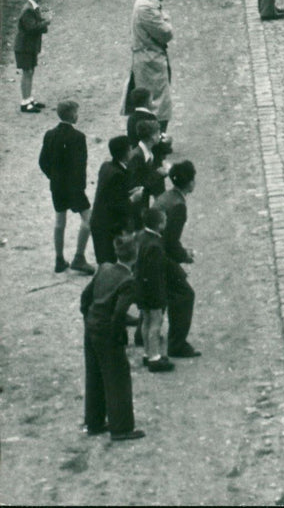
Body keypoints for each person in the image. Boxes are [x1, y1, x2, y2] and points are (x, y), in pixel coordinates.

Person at [81, 232, 145, 440]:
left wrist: (89, 318)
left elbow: (86, 297)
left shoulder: (104, 268)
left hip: (91, 327)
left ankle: (95, 421)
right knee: (117, 378)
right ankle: (121, 427)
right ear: (134, 257)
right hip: (107, 333)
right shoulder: (128, 280)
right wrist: (120, 335)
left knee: (95, 376)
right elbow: (118, 313)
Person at [39, 99, 94, 275]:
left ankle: (59, 259)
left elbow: (43, 161)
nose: (78, 115)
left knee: (59, 221)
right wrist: (80, 187)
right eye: (76, 113)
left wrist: (53, 177)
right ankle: (79, 257)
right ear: (72, 115)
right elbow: (80, 165)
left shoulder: (49, 134)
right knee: (88, 220)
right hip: (74, 188)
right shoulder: (78, 137)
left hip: (57, 186)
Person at [154, 161, 200, 358]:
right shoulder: (179, 206)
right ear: (189, 183)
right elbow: (171, 242)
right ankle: (177, 343)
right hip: (159, 254)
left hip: (151, 248)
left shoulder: (168, 196)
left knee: (160, 292)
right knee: (184, 294)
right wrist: (185, 256)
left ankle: (143, 334)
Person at [128, 0, 173, 131]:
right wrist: (166, 18)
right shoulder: (146, 7)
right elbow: (166, 33)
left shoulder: (147, 2)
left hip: (151, 56)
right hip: (149, 59)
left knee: (158, 101)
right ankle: (156, 139)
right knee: (157, 104)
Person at [90, 136, 143, 265]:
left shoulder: (107, 166)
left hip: (99, 221)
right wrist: (133, 198)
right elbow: (118, 205)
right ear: (126, 153)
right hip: (107, 226)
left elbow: (112, 194)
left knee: (105, 262)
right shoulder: (118, 175)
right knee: (108, 264)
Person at [136, 207, 174, 373]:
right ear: (159, 225)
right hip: (153, 291)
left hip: (140, 289)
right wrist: (161, 295)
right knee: (156, 322)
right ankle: (155, 358)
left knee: (145, 321)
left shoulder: (141, 237)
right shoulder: (155, 246)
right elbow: (155, 274)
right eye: (164, 221)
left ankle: (146, 353)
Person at [15, 0, 50, 114]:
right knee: (27, 72)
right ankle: (25, 102)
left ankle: (29, 99)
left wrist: (44, 23)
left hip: (29, 46)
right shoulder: (28, 9)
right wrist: (45, 22)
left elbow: (38, 26)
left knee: (30, 72)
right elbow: (31, 28)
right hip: (24, 47)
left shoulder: (33, 7)